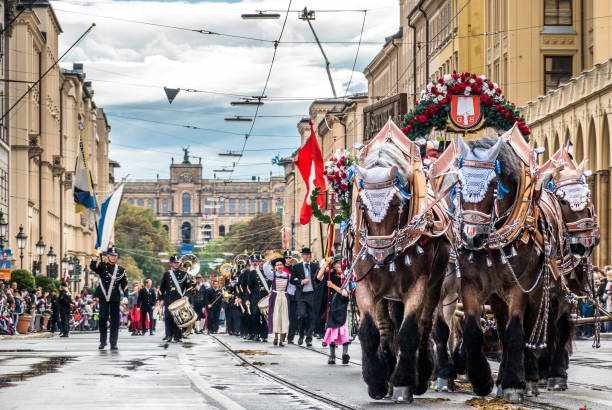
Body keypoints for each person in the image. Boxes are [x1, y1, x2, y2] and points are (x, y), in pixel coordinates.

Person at [90, 246, 129, 350]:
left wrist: (125, 296)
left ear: (117, 257)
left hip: (115, 296)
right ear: (107, 256)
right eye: (111, 255)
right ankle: (102, 342)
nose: (113, 257)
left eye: (115, 256)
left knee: (115, 320)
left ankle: (113, 343)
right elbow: (93, 267)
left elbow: (124, 284)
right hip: (103, 295)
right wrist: (96, 256)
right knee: (102, 318)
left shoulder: (121, 270)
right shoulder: (102, 266)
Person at [317, 254, 350, 364]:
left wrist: (333, 286)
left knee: (344, 331)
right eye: (337, 263)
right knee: (331, 331)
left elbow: (346, 293)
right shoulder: (329, 275)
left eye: (342, 263)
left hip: (343, 306)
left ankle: (345, 354)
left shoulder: (347, 276)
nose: (340, 265)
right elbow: (318, 278)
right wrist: (326, 264)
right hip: (332, 306)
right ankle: (332, 356)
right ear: (334, 265)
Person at [159, 255, 196, 342]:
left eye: (178, 263)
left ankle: (177, 336)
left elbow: (190, 287)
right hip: (168, 299)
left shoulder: (184, 274)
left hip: (179, 300)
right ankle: (168, 335)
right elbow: (161, 289)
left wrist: (187, 295)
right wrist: (160, 299)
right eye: (175, 263)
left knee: (178, 319)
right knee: (168, 318)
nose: (176, 264)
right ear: (170, 264)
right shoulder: (166, 274)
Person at [290, 247, 320, 347]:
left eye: (309, 255)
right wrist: (301, 281)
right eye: (306, 255)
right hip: (302, 295)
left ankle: (309, 338)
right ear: (302, 256)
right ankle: (301, 335)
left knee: (312, 318)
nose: (309, 256)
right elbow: (292, 280)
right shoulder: (296, 267)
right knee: (302, 315)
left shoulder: (315, 266)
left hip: (312, 294)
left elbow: (319, 278)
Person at [263, 256, 295, 346]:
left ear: (283, 265)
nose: (279, 266)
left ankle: (281, 339)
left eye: (281, 264)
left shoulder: (288, 276)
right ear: (275, 267)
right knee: (275, 317)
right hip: (275, 297)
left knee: (284, 317)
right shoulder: (273, 275)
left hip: (284, 297)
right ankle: (276, 337)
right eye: (277, 265)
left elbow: (292, 288)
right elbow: (265, 269)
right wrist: (269, 259)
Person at [247, 254, 270, 342]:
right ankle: (256, 333)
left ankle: (264, 335)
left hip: (265, 297)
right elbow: (249, 287)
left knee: (265, 316)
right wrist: (248, 299)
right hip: (255, 297)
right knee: (255, 315)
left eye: (263, 261)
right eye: (260, 261)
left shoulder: (268, 272)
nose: (261, 263)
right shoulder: (253, 273)